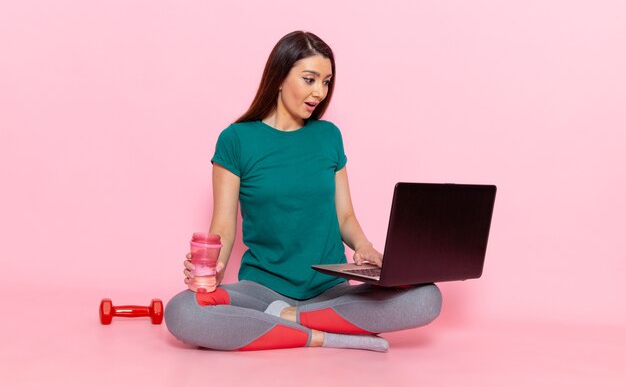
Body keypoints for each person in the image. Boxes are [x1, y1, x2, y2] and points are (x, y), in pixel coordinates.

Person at [164, 31, 442, 352]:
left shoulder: (328, 136)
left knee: (427, 298)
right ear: (279, 77)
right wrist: (214, 269)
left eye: (326, 82)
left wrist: (365, 248)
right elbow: (223, 227)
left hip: (331, 290)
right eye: (309, 79)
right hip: (261, 290)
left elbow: (345, 215)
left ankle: (288, 319)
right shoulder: (236, 139)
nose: (319, 93)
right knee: (183, 311)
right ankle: (322, 335)